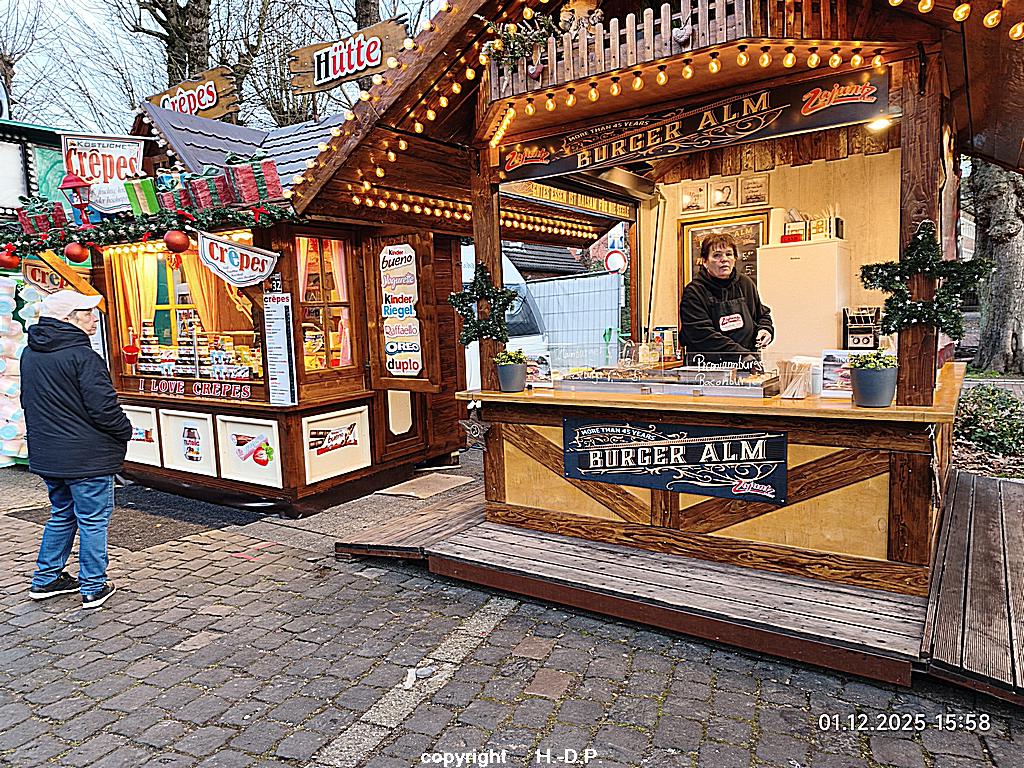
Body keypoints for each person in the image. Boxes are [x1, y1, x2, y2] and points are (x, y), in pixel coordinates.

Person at [22, 290, 131, 609]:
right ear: (67, 319)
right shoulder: (83, 356)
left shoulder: (30, 353)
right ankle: (94, 586)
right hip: (87, 456)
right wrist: (125, 431)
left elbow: (29, 402)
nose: (94, 318)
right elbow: (104, 408)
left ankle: (46, 579)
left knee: (62, 513)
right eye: (86, 313)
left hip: (50, 453)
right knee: (93, 519)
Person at [679, 233, 774, 364]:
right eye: (717, 255)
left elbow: (762, 314)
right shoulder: (694, 292)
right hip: (709, 368)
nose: (724, 259)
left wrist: (765, 329)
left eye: (728, 254)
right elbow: (701, 334)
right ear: (705, 261)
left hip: (747, 364)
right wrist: (740, 355)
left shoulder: (745, 283)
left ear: (735, 258)